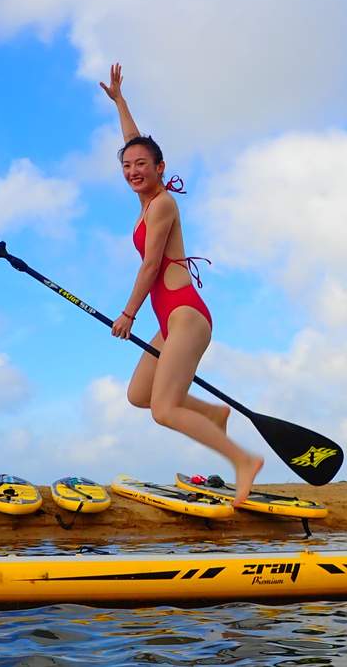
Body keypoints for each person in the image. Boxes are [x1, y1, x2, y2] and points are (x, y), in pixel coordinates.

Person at [101, 63, 264, 505]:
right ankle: (213, 413)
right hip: (170, 321)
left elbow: (151, 265)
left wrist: (128, 314)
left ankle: (243, 461)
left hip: (186, 315)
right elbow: (135, 143)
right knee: (140, 394)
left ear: (161, 168)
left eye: (142, 165)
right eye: (127, 166)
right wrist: (120, 102)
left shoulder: (161, 204)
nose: (133, 170)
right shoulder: (146, 197)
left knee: (164, 408)